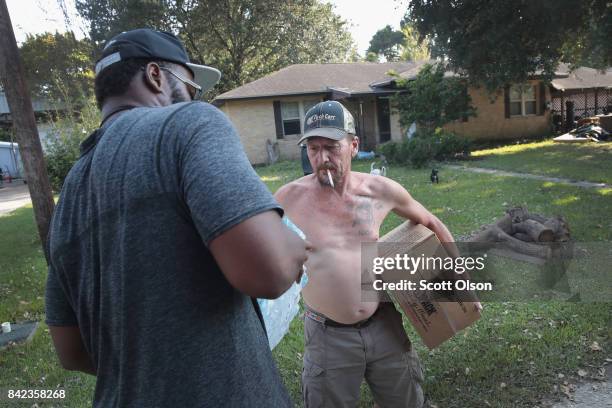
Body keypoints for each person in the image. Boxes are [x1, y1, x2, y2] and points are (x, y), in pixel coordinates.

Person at [45, 28, 308, 407]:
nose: (193, 98)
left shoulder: (69, 192)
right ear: (155, 76)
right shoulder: (186, 125)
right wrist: (294, 247)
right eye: (190, 87)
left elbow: (70, 350)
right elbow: (269, 271)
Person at [275, 101, 476, 408]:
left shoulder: (380, 191)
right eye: (313, 149)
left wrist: (459, 281)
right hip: (328, 335)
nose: (322, 158)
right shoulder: (288, 199)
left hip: (383, 324)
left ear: (353, 145)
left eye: (331, 147)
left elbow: (431, 223)